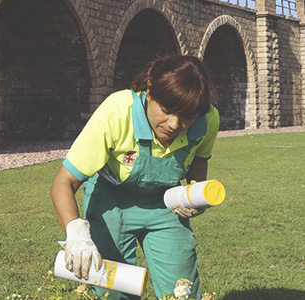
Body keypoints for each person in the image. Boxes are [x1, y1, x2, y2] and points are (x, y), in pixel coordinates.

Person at [51, 55, 219, 299]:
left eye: (187, 116)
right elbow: (63, 182)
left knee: (182, 290)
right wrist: (76, 235)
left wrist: (195, 198)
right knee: (115, 291)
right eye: (166, 110)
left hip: (164, 206)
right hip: (112, 205)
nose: (174, 124)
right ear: (150, 91)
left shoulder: (207, 118)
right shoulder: (117, 112)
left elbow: (199, 159)